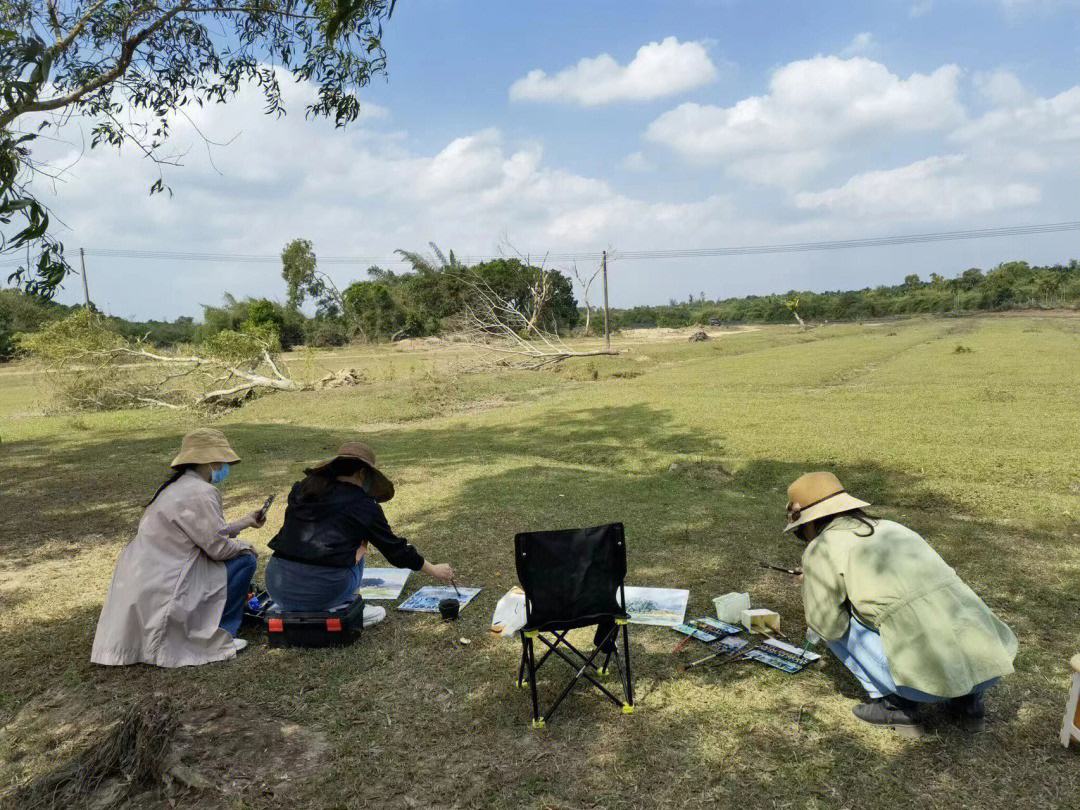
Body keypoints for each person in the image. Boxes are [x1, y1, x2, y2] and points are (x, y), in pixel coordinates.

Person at [784, 471, 1018, 736]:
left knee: (833, 623)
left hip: (922, 681)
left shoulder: (821, 548)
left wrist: (813, 585)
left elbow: (827, 624)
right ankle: (968, 702)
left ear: (809, 523)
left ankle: (897, 705)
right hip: (986, 663)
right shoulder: (894, 527)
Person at [91, 428, 264, 667]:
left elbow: (207, 533)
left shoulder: (176, 487)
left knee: (239, 555)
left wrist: (245, 522)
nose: (225, 468)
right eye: (223, 462)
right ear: (210, 461)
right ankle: (222, 633)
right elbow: (217, 548)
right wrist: (247, 546)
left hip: (146, 572)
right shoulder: (201, 491)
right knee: (245, 560)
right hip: (170, 578)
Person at [265, 441, 455, 626]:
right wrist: (434, 570)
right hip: (325, 592)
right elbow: (395, 550)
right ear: (363, 473)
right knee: (360, 546)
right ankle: (346, 608)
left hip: (277, 586)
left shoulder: (301, 489)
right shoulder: (363, 505)